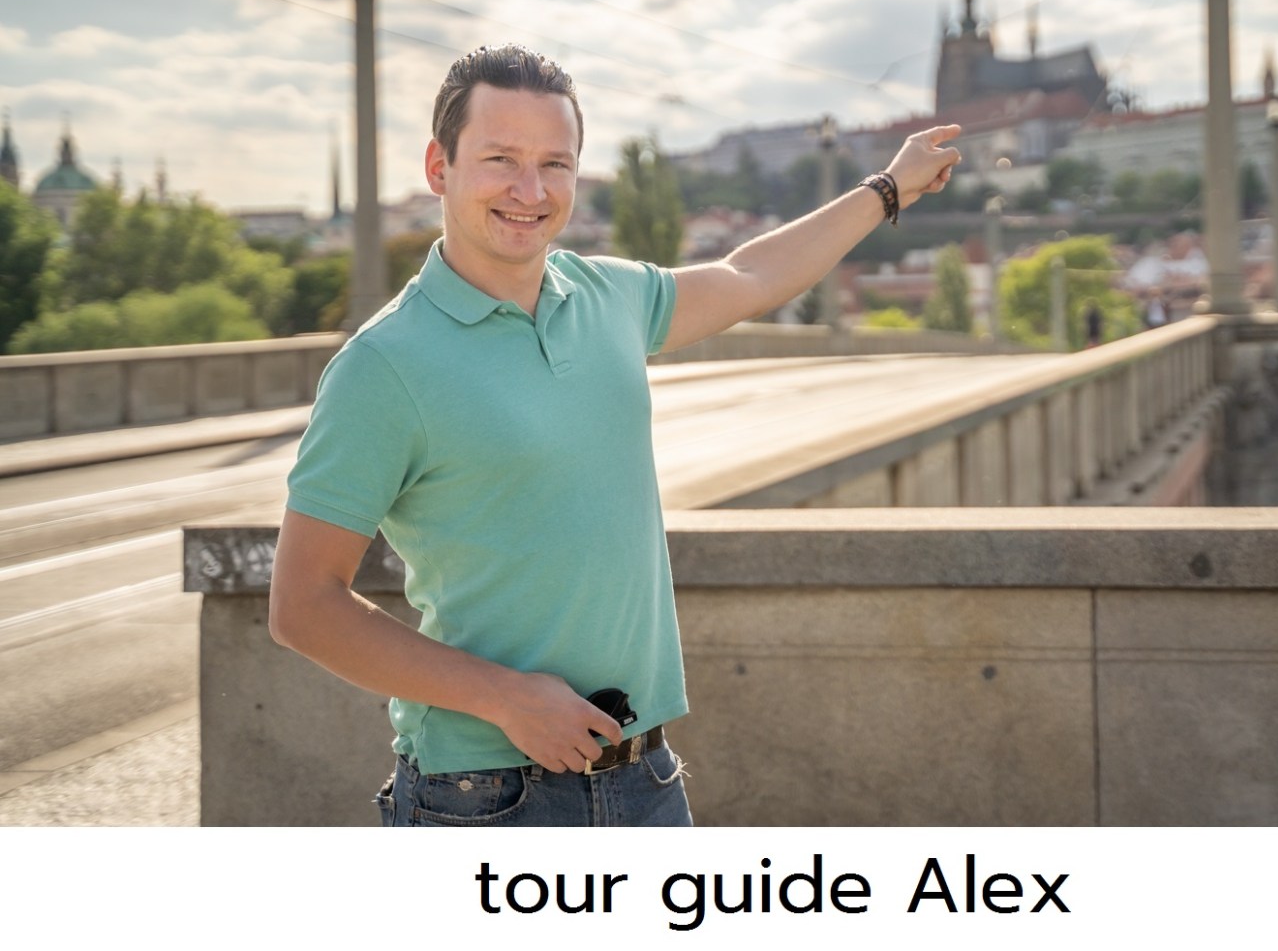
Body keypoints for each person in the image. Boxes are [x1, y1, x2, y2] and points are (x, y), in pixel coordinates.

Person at [267, 43, 962, 827]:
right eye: (500, 159)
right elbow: (303, 606)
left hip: (645, 777)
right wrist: (504, 699)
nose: (530, 191)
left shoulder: (610, 299)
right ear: (439, 167)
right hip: (488, 797)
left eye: (555, 165)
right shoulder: (383, 365)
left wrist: (885, 187)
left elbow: (752, 276)